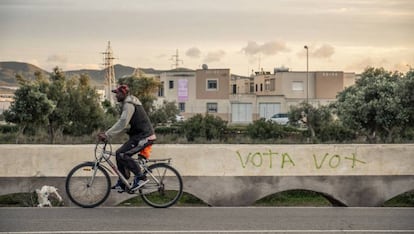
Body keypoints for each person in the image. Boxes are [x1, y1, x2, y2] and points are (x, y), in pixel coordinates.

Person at [98, 84, 156, 192]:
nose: (116, 96)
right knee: (119, 154)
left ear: (123, 94)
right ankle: (123, 182)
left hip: (145, 136)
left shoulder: (129, 104)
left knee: (123, 154)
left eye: (117, 93)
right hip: (139, 136)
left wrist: (108, 134)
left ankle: (141, 178)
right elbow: (127, 123)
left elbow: (123, 122)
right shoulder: (129, 102)